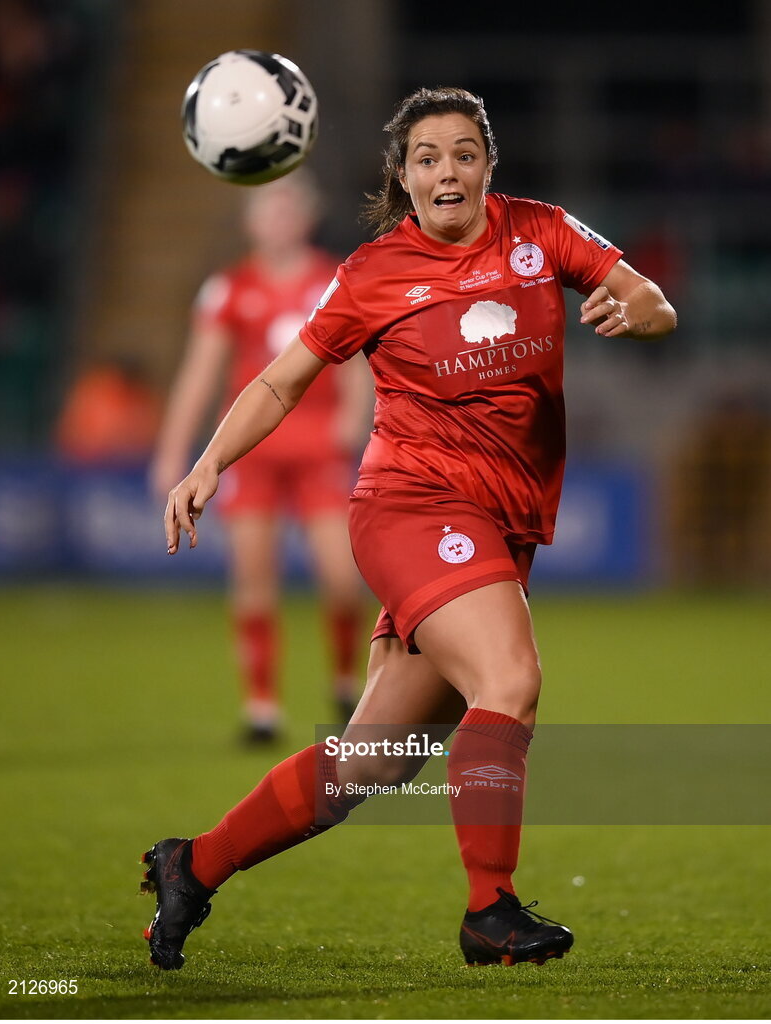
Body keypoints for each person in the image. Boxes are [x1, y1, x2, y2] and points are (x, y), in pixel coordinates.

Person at [140, 87, 676, 970]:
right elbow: (280, 382)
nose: (447, 170)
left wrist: (638, 315)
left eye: (463, 152)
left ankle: (191, 866)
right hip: (412, 507)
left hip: (503, 522)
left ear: (488, 165)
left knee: (373, 764)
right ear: (403, 176)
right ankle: (488, 912)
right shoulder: (372, 275)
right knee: (510, 676)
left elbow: (649, 297)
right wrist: (207, 464)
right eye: (426, 157)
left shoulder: (541, 232)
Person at [150, 171, 371, 739]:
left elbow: (353, 360)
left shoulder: (332, 280)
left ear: (307, 217)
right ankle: (261, 707)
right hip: (251, 450)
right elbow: (199, 376)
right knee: (253, 576)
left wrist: (352, 417)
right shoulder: (229, 289)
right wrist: (175, 453)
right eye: (269, 210)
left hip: (319, 443)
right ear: (252, 220)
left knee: (342, 578)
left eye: (288, 209)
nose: (279, 220)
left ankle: (348, 685)